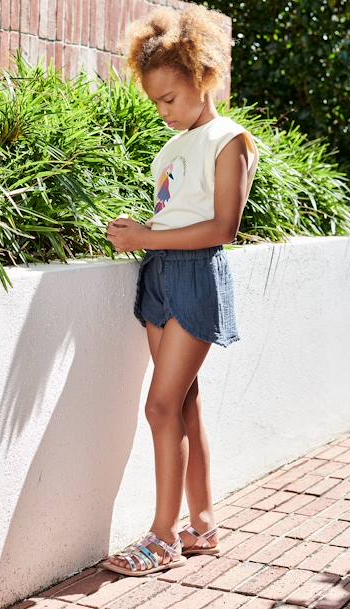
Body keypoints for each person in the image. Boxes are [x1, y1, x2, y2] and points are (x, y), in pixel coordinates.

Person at [103, 3, 259, 577]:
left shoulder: (230, 140)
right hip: (161, 276)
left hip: (195, 277)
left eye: (170, 98)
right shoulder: (174, 146)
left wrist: (148, 235)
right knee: (184, 404)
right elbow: (173, 214)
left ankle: (163, 536)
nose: (163, 111)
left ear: (204, 78)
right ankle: (203, 526)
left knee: (161, 404)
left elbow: (223, 226)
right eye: (156, 102)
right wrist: (139, 234)